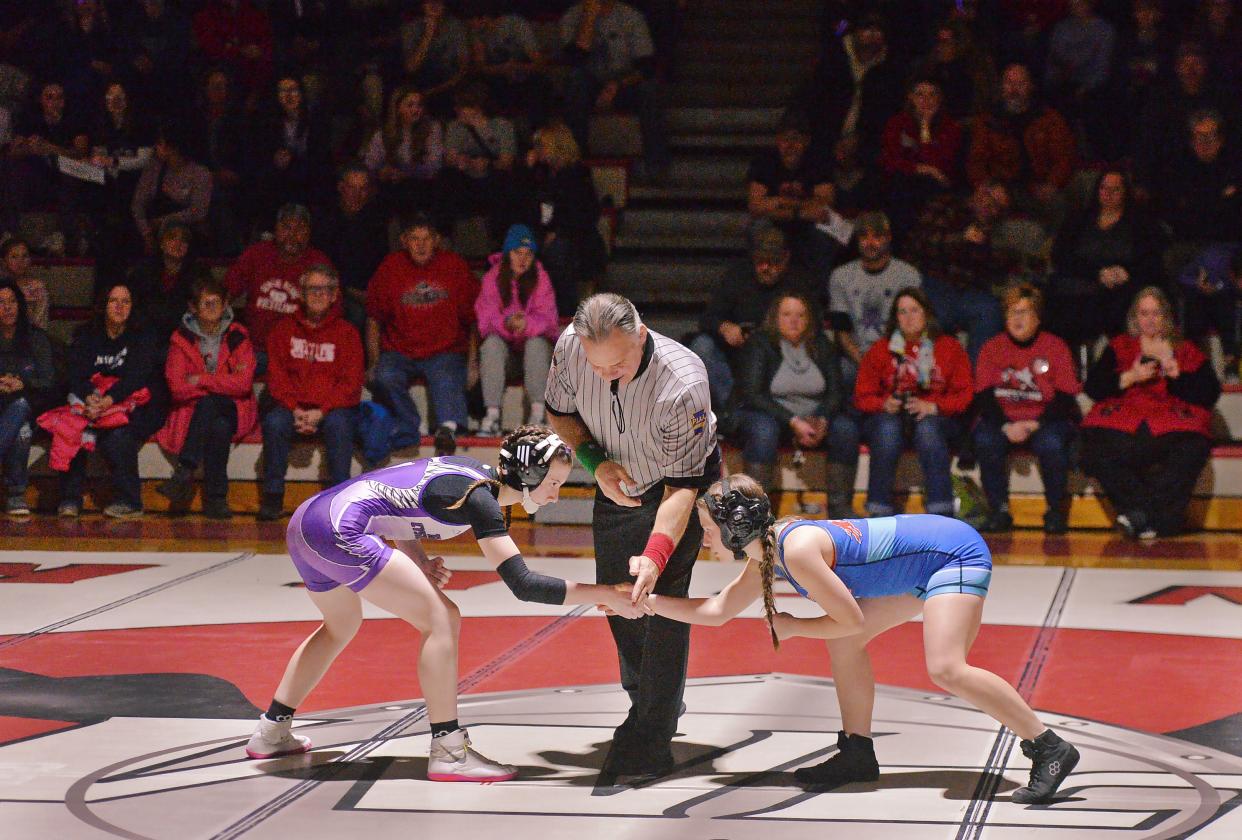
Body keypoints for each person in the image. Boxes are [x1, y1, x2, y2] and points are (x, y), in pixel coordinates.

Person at [636, 473, 1079, 804]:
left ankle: (1049, 747)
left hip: (952, 554)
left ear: (733, 526)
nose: (704, 535)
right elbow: (716, 611)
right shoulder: (768, 551)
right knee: (845, 644)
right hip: (924, 559)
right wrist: (648, 602)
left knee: (946, 667)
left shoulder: (794, 550)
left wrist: (794, 627)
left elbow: (846, 618)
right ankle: (857, 752)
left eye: (708, 526)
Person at [245, 426, 644, 780]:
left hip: (307, 522)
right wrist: (606, 593)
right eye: (553, 483)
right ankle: (449, 750)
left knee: (340, 626)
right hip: (337, 530)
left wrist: (417, 559)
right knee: (442, 619)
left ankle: (272, 730)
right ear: (530, 474)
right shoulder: (480, 498)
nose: (555, 496)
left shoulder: (469, 477)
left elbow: (393, 504)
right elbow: (523, 584)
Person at [545, 293, 719, 779]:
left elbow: (683, 488)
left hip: (677, 484)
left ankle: (654, 731)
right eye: (596, 366)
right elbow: (560, 414)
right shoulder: (568, 348)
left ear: (642, 335)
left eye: (618, 363)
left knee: (661, 601)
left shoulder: (683, 382)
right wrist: (594, 464)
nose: (606, 375)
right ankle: (645, 704)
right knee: (620, 603)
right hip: (616, 479)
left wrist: (656, 555)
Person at [1079, 286, 1221, 539]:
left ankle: (1139, 516)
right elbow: (1094, 388)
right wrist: (1130, 376)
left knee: (1194, 448)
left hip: (1170, 424)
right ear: (1135, 317)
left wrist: (1178, 376)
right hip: (1126, 422)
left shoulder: (1185, 349)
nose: (1150, 320)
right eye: (1144, 313)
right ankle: (1152, 515)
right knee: (1090, 450)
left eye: (1156, 313)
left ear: (1166, 316)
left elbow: (1210, 393)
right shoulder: (1121, 346)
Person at [51, 283, 167, 520]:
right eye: (114, 301)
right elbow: (76, 374)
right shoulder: (86, 335)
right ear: (103, 305)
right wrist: (91, 397)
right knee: (72, 427)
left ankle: (130, 501)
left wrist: (109, 400)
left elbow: (138, 376)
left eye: (126, 302)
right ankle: (70, 499)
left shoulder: (143, 335)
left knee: (117, 435)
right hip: (94, 400)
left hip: (134, 403)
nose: (120, 306)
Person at [972, 283, 1081, 534]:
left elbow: (1065, 396)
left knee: (1052, 444)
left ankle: (1055, 511)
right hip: (1004, 420)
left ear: (1038, 317)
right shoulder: (992, 347)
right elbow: (984, 396)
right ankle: (998, 511)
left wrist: (1036, 423)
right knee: (986, 440)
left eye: (1024, 312)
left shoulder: (1055, 346)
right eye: (1012, 312)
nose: (1017, 319)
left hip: (1045, 420)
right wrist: (1006, 425)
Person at [366, 212, 478, 457]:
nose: (421, 244)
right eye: (415, 239)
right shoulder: (390, 267)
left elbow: (473, 320)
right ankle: (409, 424)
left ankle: (448, 429)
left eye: (427, 238)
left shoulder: (454, 266)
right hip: (399, 352)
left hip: (445, 351)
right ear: (404, 240)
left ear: (436, 240)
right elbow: (373, 318)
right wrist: (374, 361)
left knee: (447, 375)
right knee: (384, 375)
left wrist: (473, 363)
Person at [854, 287, 972, 517]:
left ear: (927, 313)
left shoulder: (948, 347)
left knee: (928, 429)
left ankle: (941, 511)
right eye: (902, 312)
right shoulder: (881, 349)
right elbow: (861, 396)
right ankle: (879, 509)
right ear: (895, 317)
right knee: (888, 429)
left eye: (914, 310)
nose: (909, 317)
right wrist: (884, 403)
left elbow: (965, 395)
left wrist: (934, 406)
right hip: (890, 417)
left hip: (936, 417)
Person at [734, 292, 853, 517]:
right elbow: (753, 395)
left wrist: (822, 419)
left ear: (809, 319)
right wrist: (793, 421)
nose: (794, 320)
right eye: (787, 314)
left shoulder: (821, 344)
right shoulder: (760, 344)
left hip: (813, 415)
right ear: (775, 317)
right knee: (763, 431)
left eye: (800, 315)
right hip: (769, 413)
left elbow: (836, 391)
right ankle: (755, 513)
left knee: (846, 429)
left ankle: (840, 509)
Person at [259, 265, 364, 521]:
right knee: (274, 423)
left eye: (324, 289)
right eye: (311, 289)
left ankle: (339, 503)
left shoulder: (347, 333)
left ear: (333, 295)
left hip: (329, 409)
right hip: (291, 407)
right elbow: (276, 377)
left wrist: (321, 411)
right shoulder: (283, 330)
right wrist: (295, 409)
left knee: (340, 424)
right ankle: (272, 498)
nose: (318, 295)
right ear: (302, 294)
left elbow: (351, 383)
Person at [155, 276, 258, 519]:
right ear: (193, 307)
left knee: (211, 405)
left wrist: (202, 380)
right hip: (195, 411)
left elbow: (243, 385)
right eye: (206, 303)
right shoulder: (180, 339)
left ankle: (184, 471)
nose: (212, 308)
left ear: (225, 305)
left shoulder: (238, 336)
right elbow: (178, 388)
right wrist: (223, 384)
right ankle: (216, 499)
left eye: (216, 303)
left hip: (235, 407)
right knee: (218, 425)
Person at [690, 223, 816, 415]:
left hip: (781, 358)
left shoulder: (799, 283)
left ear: (785, 259)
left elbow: (813, 327)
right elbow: (708, 318)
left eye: (773, 262)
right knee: (701, 346)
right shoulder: (737, 277)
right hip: (738, 356)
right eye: (760, 261)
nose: (766, 268)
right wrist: (725, 327)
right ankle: (737, 412)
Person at [1047, 169, 1164, 356]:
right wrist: (1097, 273)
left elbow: (1152, 261)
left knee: (1126, 301)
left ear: (1125, 192)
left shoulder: (1141, 223)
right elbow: (1061, 256)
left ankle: (1118, 357)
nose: (1108, 194)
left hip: (1124, 286)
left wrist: (1127, 273)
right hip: (1082, 281)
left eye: (1115, 189)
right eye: (1104, 188)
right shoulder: (1078, 219)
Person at [225, 203, 336, 372]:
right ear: (276, 229)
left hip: (299, 353)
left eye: (300, 229)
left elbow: (333, 314)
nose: (292, 236)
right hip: (255, 350)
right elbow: (225, 294)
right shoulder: (256, 255)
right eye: (286, 228)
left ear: (308, 234)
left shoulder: (319, 263)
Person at [474, 224, 559, 436]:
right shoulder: (492, 279)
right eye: (517, 253)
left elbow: (550, 321)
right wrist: (508, 323)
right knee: (492, 344)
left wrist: (526, 324)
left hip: (535, 357)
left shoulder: (542, 278)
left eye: (528, 254)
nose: (523, 259)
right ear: (507, 254)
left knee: (537, 343)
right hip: (507, 357)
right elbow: (485, 320)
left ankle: (538, 415)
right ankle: (492, 415)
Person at [520, 122, 605, 317]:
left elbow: (585, 214)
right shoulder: (540, 174)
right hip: (541, 235)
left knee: (558, 252)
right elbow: (525, 205)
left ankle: (564, 313)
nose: (538, 151)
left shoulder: (577, 175)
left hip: (575, 240)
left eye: (542, 146)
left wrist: (558, 231)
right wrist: (527, 171)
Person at [0, 281, 53, 518]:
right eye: (1, 302)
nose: (7, 307)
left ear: (20, 306)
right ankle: (16, 493)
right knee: (20, 430)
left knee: (21, 417)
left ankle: (16, 493)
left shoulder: (35, 338)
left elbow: (48, 379)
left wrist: (23, 383)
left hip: (27, 405)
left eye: (12, 302)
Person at [0, 237, 48, 332]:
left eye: (24, 256)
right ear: (4, 261)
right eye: (14, 257)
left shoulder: (37, 288)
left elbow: (40, 323)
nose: (20, 261)